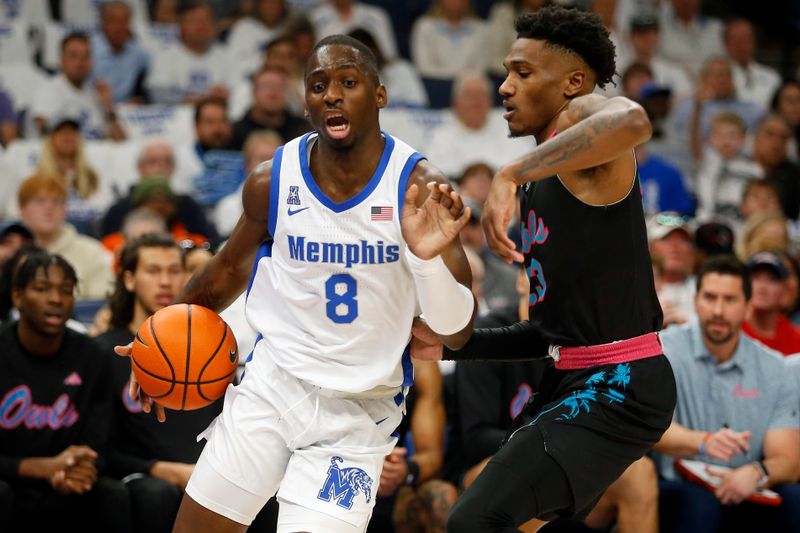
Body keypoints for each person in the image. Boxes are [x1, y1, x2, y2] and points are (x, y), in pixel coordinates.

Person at [117, 34, 475, 533]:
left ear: (379, 94)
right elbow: (224, 273)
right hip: (271, 386)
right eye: (317, 85)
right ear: (305, 103)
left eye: (348, 82)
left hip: (358, 412)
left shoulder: (417, 186)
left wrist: (427, 262)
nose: (331, 94)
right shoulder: (273, 180)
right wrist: (156, 338)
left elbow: (456, 334)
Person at [413, 7, 676, 530]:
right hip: (572, 375)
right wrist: (449, 347)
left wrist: (511, 171)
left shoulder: (583, 124)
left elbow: (633, 121)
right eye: (507, 72)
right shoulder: (542, 181)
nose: (505, 87)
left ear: (573, 83)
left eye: (523, 72)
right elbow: (550, 332)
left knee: (473, 521)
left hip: (619, 382)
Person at [654, 255, 800, 532]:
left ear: (747, 307)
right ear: (695, 301)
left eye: (730, 300)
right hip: (680, 484)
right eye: (710, 297)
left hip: (749, 485)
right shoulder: (664, 351)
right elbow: (648, 429)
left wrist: (758, 473)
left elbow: (788, 460)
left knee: (795, 499)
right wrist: (703, 442)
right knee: (700, 505)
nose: (718, 310)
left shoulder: (774, 367)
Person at [95, 234, 227, 533]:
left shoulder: (210, 348)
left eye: (174, 271)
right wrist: (158, 469)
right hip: (142, 477)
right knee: (158, 495)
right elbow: (99, 448)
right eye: (153, 271)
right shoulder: (104, 351)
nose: (165, 282)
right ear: (129, 279)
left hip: (207, 471)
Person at [0, 250, 131, 532]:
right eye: (41, 289)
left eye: (66, 291)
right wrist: (38, 467)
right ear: (17, 296)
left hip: (66, 479)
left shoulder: (92, 357)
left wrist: (78, 468)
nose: (56, 299)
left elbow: (99, 441)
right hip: (8, 479)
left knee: (111, 495)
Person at [17, 175, 114, 300]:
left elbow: (101, 302)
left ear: (65, 210)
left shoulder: (92, 251)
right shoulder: (9, 253)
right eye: (40, 201)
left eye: (56, 202)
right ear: (21, 209)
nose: (49, 208)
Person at [31, 32, 125, 141]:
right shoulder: (49, 90)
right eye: (73, 56)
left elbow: (120, 142)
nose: (80, 62)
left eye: (86, 56)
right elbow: (48, 137)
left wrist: (109, 109)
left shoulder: (95, 95)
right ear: (61, 60)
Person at [741, 251, 800, 356]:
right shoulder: (733, 331)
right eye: (756, 277)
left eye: (772, 280)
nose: (762, 286)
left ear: (784, 288)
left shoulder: (795, 339)